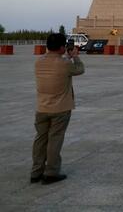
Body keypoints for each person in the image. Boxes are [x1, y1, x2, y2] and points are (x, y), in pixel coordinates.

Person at [31, 33, 85, 184]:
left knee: (40, 139)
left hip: (42, 107)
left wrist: (66, 57)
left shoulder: (38, 62)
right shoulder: (65, 63)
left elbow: (55, 65)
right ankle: (51, 172)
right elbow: (79, 69)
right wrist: (75, 56)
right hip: (60, 108)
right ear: (62, 47)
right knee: (55, 139)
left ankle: (36, 171)